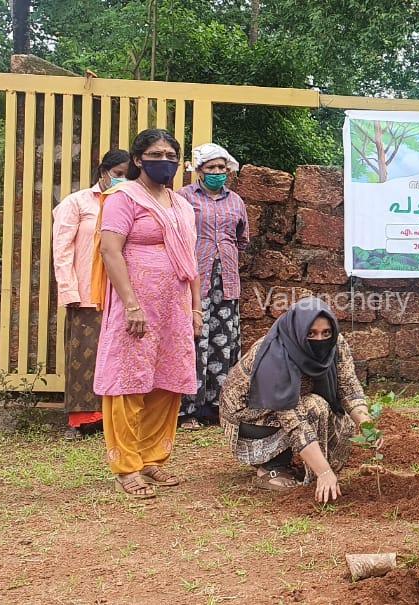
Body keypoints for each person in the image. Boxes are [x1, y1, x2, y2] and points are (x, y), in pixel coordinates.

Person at [92, 128, 201, 499]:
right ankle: (127, 466)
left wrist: (196, 308)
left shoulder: (181, 205)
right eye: (156, 154)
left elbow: (190, 260)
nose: (164, 161)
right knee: (128, 379)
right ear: (138, 160)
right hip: (136, 306)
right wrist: (131, 303)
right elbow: (110, 251)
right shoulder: (123, 198)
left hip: (174, 306)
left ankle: (152, 458)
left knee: (167, 381)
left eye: (171, 155)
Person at [219, 297, 375, 500]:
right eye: (311, 333)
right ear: (298, 331)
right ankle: (272, 466)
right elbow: (292, 420)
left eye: (326, 333)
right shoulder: (276, 354)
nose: (320, 339)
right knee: (315, 407)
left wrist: (366, 424)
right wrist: (324, 472)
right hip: (249, 418)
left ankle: (312, 464)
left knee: (343, 420)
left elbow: (349, 387)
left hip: (294, 405)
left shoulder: (335, 344)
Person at [52, 149, 129, 440]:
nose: (122, 180)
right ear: (103, 172)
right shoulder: (77, 202)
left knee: (120, 355)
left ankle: (115, 416)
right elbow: (62, 249)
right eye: (118, 174)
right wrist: (68, 289)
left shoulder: (131, 203)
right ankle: (81, 419)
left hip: (122, 292)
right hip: (86, 291)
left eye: (128, 176)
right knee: (83, 355)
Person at [178, 143, 250, 431]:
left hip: (226, 281)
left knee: (224, 342)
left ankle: (218, 407)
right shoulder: (184, 198)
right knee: (193, 341)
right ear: (199, 170)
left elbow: (242, 239)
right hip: (194, 281)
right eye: (211, 168)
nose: (218, 172)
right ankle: (188, 410)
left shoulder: (236, 201)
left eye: (222, 167)